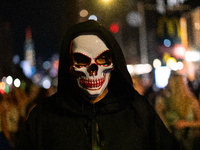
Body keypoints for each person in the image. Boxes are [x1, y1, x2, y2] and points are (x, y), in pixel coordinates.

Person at [17, 20, 180, 150]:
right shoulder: (44, 117)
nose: (93, 70)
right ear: (69, 65)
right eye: (82, 61)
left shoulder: (138, 112)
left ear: (113, 62)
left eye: (102, 59)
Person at [155, 72, 200, 150]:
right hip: (173, 142)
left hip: (189, 141)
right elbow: (160, 122)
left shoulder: (191, 100)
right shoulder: (163, 102)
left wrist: (186, 124)